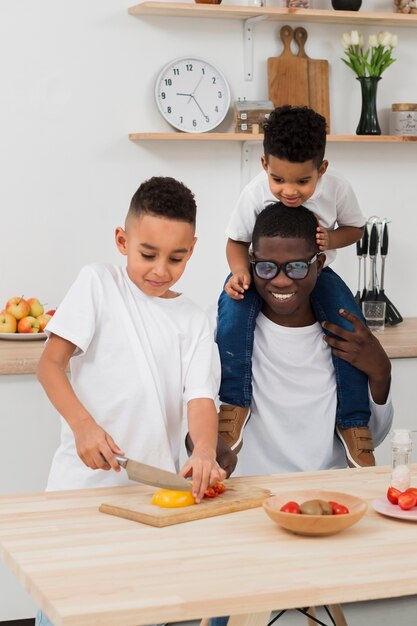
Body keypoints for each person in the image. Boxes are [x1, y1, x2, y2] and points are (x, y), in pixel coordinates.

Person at [36, 176, 226, 626]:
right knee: (65, 612)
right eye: (148, 254)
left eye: (176, 258)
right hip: (79, 496)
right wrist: (83, 425)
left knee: (146, 612)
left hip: (151, 501)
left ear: (192, 250)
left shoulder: (194, 321)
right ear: (123, 241)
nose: (161, 270)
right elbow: (50, 364)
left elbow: (201, 399)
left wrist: (203, 450)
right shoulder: (98, 283)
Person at [208, 203, 393, 626]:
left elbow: (371, 434)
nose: (280, 282)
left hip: (323, 508)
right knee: (230, 603)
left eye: (296, 267)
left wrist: (380, 370)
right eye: (266, 268)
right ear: (250, 264)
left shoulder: (344, 338)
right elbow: (196, 423)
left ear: (319, 264)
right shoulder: (230, 332)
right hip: (248, 509)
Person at [216, 105, 373, 468]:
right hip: (261, 273)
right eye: (278, 179)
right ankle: (234, 403)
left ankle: (353, 423)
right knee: (231, 313)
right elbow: (235, 241)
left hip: (315, 274)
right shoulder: (255, 192)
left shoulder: (337, 188)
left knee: (349, 325)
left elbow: (356, 228)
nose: (289, 191)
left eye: (302, 182)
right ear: (264, 165)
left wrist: (331, 239)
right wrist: (240, 272)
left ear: (322, 169)